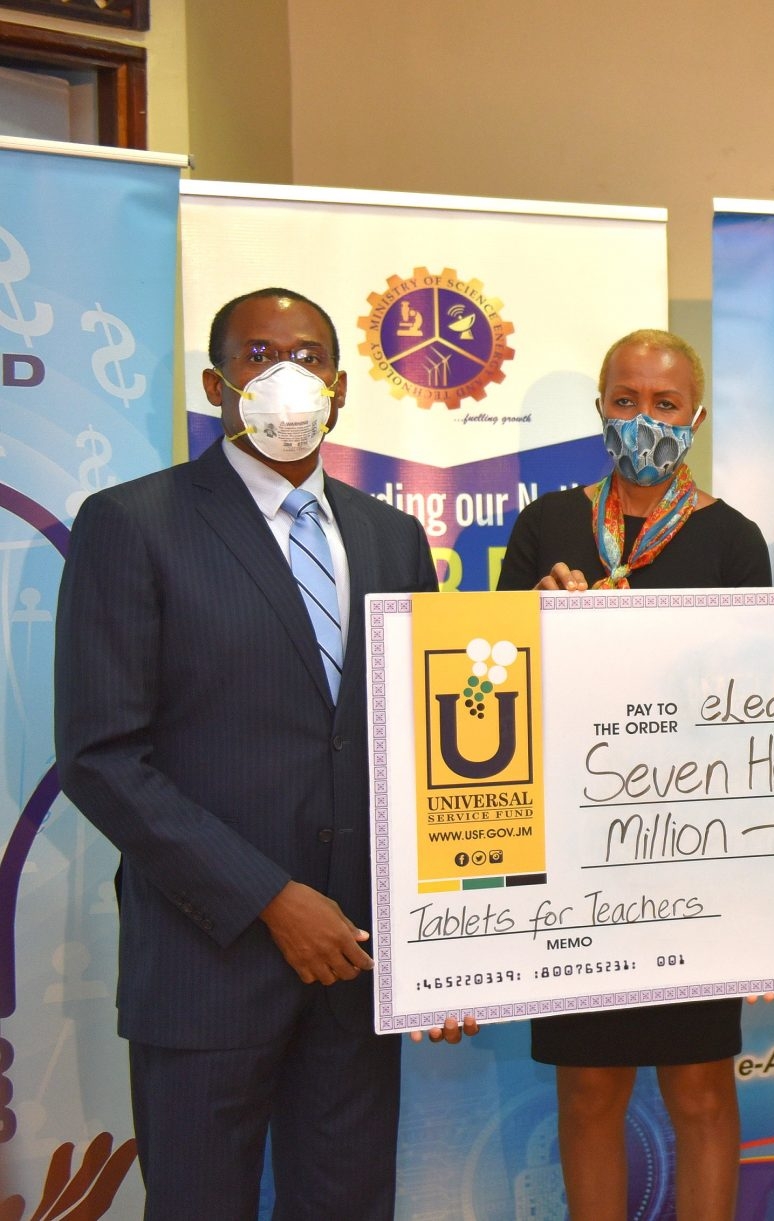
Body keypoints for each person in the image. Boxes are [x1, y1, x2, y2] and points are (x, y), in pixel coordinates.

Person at [55, 287, 473, 1221]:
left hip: (358, 972)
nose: (285, 374)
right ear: (216, 383)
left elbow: (426, 754)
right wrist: (271, 900)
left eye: (308, 355)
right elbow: (101, 756)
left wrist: (449, 948)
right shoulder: (133, 523)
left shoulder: (390, 535)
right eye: (256, 354)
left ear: (339, 386)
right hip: (209, 964)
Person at [497, 328, 768, 1221]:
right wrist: (545, 625)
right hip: (577, 852)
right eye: (625, 399)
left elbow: (747, 706)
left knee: (698, 1091)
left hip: (692, 853)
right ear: (600, 409)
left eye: (662, 403)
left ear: (695, 415)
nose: (643, 418)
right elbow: (493, 687)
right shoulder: (546, 527)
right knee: (589, 1089)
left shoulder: (732, 541)